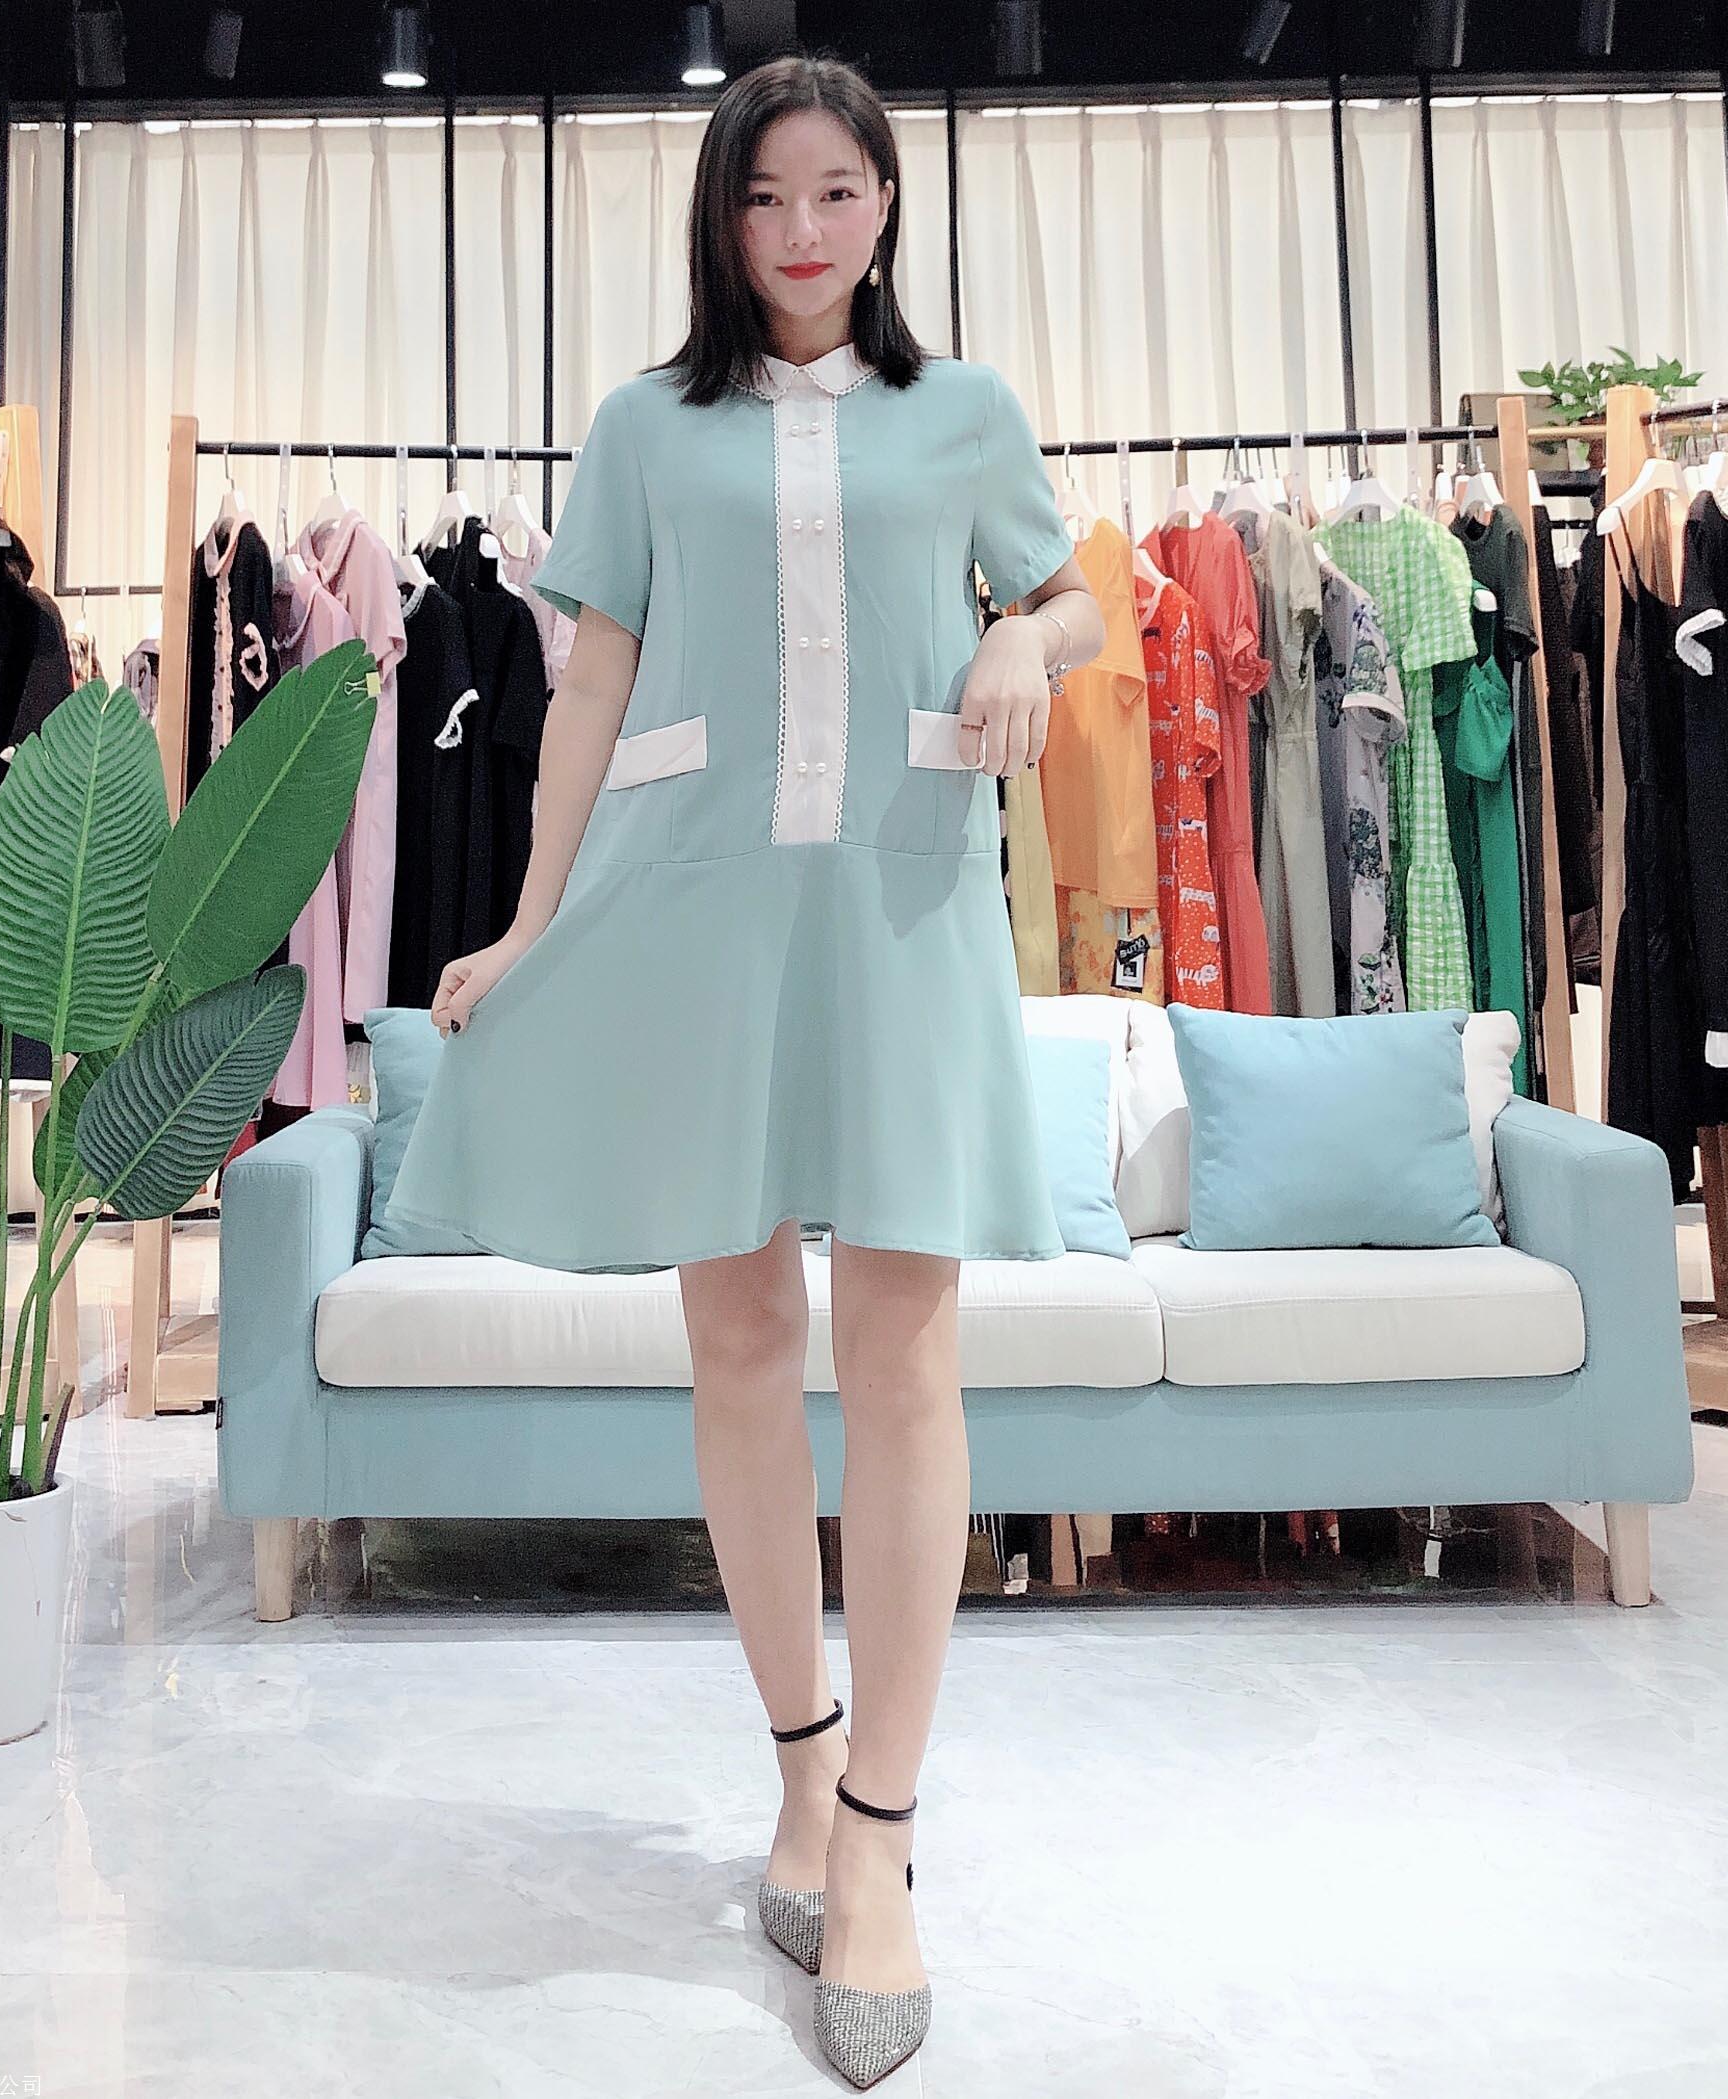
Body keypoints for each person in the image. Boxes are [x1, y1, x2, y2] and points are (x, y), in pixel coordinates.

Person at [380, 49, 1101, 2090]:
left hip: (902, 907)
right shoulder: (642, 426)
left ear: (888, 209)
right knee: (737, 1344)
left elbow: (1073, 605)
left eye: (837, 195)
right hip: (693, 906)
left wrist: (1016, 642)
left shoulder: (967, 413)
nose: (800, 232)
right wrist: (528, 923)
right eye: (764, 197)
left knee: (909, 1359)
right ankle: (798, 1769)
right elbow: (590, 683)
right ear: (720, 216)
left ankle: (879, 1834)